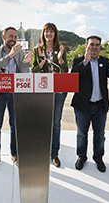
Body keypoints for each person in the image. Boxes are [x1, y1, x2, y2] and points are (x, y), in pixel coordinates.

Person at [0, 27, 33, 172]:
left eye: (15, 37)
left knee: (15, 126)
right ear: (3, 37)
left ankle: (15, 154)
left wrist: (25, 63)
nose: (13, 39)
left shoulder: (19, 53)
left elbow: (23, 74)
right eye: (11, 36)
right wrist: (10, 55)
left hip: (14, 94)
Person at [71, 35, 109, 172]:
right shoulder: (78, 61)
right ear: (87, 46)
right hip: (82, 106)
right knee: (82, 133)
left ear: (100, 46)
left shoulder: (105, 61)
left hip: (100, 106)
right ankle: (81, 156)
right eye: (91, 44)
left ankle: (98, 158)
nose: (94, 47)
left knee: (99, 134)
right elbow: (73, 77)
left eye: (97, 45)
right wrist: (85, 62)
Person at [31, 23, 68, 167]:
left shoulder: (61, 49)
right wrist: (42, 61)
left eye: (52, 31)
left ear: (55, 34)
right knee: (42, 121)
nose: (49, 33)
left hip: (59, 90)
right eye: (47, 31)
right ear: (43, 33)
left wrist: (60, 59)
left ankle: (54, 154)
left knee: (56, 122)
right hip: (42, 89)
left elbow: (65, 71)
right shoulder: (37, 50)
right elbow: (33, 71)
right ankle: (41, 152)